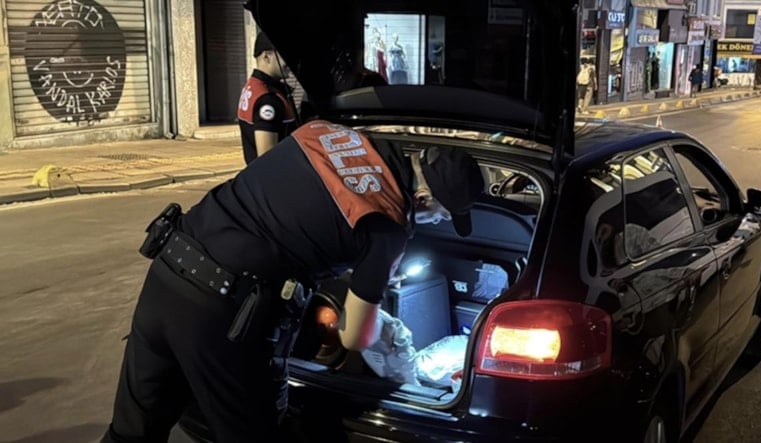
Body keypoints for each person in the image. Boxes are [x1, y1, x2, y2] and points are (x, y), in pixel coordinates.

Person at [102, 119, 485, 442]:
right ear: (421, 197)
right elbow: (354, 337)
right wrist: (382, 315)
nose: (437, 222)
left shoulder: (326, 132)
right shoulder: (387, 225)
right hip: (223, 313)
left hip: (168, 269)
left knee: (131, 432)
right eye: (440, 214)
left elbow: (301, 214)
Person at [237, 32, 298, 165]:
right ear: (266, 57)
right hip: (277, 175)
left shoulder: (253, 87)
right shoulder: (267, 99)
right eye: (284, 54)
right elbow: (267, 158)